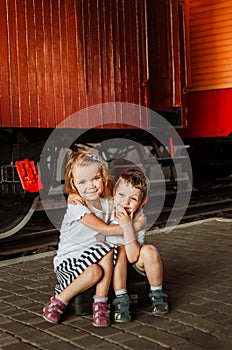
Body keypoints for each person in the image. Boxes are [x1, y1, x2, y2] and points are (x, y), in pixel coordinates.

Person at [43, 149, 125, 327]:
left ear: (103, 177)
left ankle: (100, 304)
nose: (90, 186)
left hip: (94, 258)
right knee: (106, 249)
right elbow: (105, 229)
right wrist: (131, 228)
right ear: (73, 183)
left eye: (95, 178)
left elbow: (116, 223)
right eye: (82, 181)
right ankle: (58, 300)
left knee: (103, 258)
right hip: (69, 262)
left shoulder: (108, 204)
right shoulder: (76, 205)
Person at [107, 168, 169, 321]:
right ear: (113, 194)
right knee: (117, 251)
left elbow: (133, 256)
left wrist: (127, 225)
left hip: (134, 262)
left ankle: (157, 294)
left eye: (133, 199)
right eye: (121, 195)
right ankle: (121, 299)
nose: (125, 202)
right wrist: (72, 197)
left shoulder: (140, 219)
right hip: (111, 265)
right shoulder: (106, 209)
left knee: (150, 251)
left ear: (142, 202)